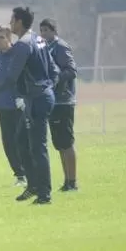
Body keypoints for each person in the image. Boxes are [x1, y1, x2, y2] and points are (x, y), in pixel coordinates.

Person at [0, 7, 59, 205]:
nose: (10, 23)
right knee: (21, 141)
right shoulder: (38, 39)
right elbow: (53, 70)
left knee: (38, 147)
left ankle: (44, 194)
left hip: (37, 99)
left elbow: (12, 78)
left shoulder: (23, 45)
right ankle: (33, 186)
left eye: (12, 20)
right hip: (38, 96)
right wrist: (48, 87)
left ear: (19, 22)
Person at [39, 18, 79, 192]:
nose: (43, 34)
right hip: (52, 101)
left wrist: (55, 80)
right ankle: (66, 182)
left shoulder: (61, 46)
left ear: (54, 31)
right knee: (59, 143)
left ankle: (73, 181)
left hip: (64, 101)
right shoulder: (45, 48)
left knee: (67, 142)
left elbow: (71, 71)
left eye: (46, 30)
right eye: (41, 31)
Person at [0, 26, 27, 187]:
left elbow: (26, 78)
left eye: (1, 37)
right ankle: (20, 176)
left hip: (20, 107)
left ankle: (31, 172)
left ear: (10, 38)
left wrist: (23, 97)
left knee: (23, 141)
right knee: (8, 143)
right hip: (3, 107)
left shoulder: (19, 57)